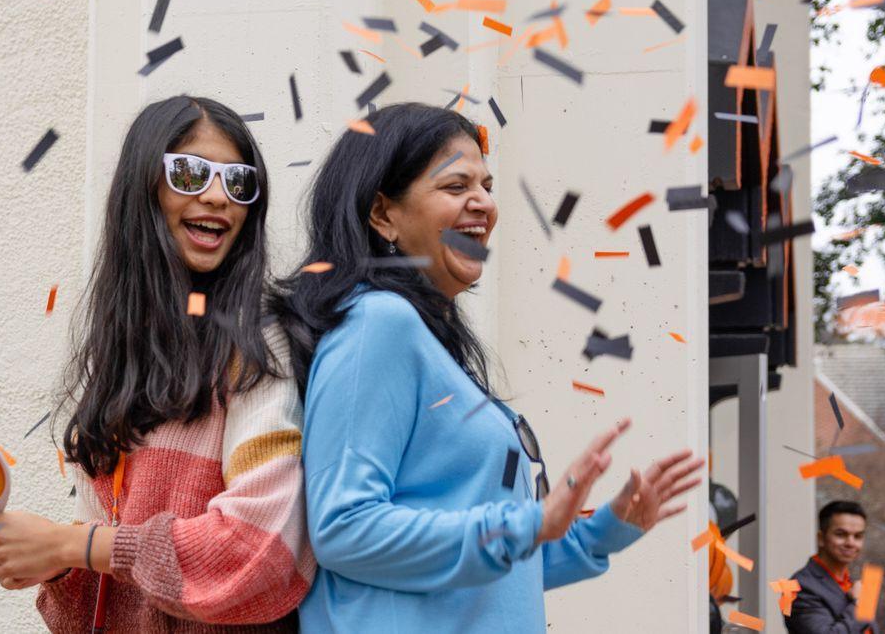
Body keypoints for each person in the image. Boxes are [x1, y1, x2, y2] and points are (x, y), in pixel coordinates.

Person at [270, 103, 706, 633]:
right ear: (383, 214)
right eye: (456, 187)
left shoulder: (428, 341)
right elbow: (345, 530)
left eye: (486, 185)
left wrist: (604, 530)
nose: (484, 204)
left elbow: (495, 570)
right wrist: (523, 525)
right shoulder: (376, 324)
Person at [0, 96, 314, 632]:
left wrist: (71, 543)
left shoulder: (258, 344)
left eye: (239, 182)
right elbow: (99, 599)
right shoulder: (116, 356)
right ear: (143, 188)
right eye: (191, 173)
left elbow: (256, 549)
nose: (219, 197)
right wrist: (56, 564)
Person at [785, 501, 877, 633]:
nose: (851, 543)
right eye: (841, 534)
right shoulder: (798, 587)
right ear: (821, 538)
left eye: (858, 536)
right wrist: (859, 604)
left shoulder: (856, 585)